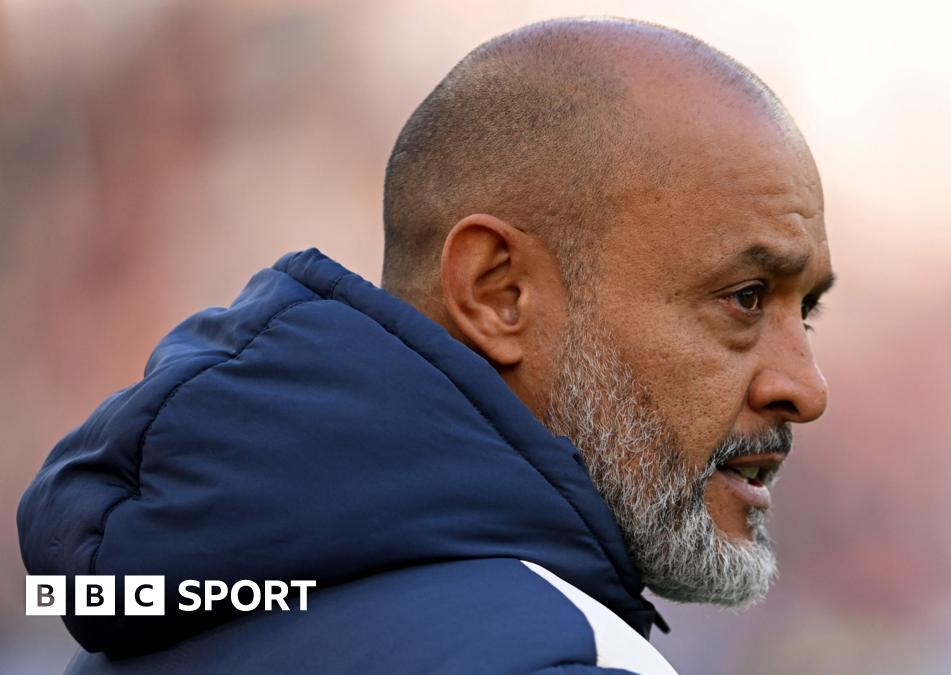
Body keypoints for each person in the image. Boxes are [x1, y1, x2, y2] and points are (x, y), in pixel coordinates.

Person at [18, 16, 835, 674]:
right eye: (744, 298)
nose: (805, 385)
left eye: (809, 312)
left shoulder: (164, 626)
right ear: (497, 292)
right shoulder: (550, 654)